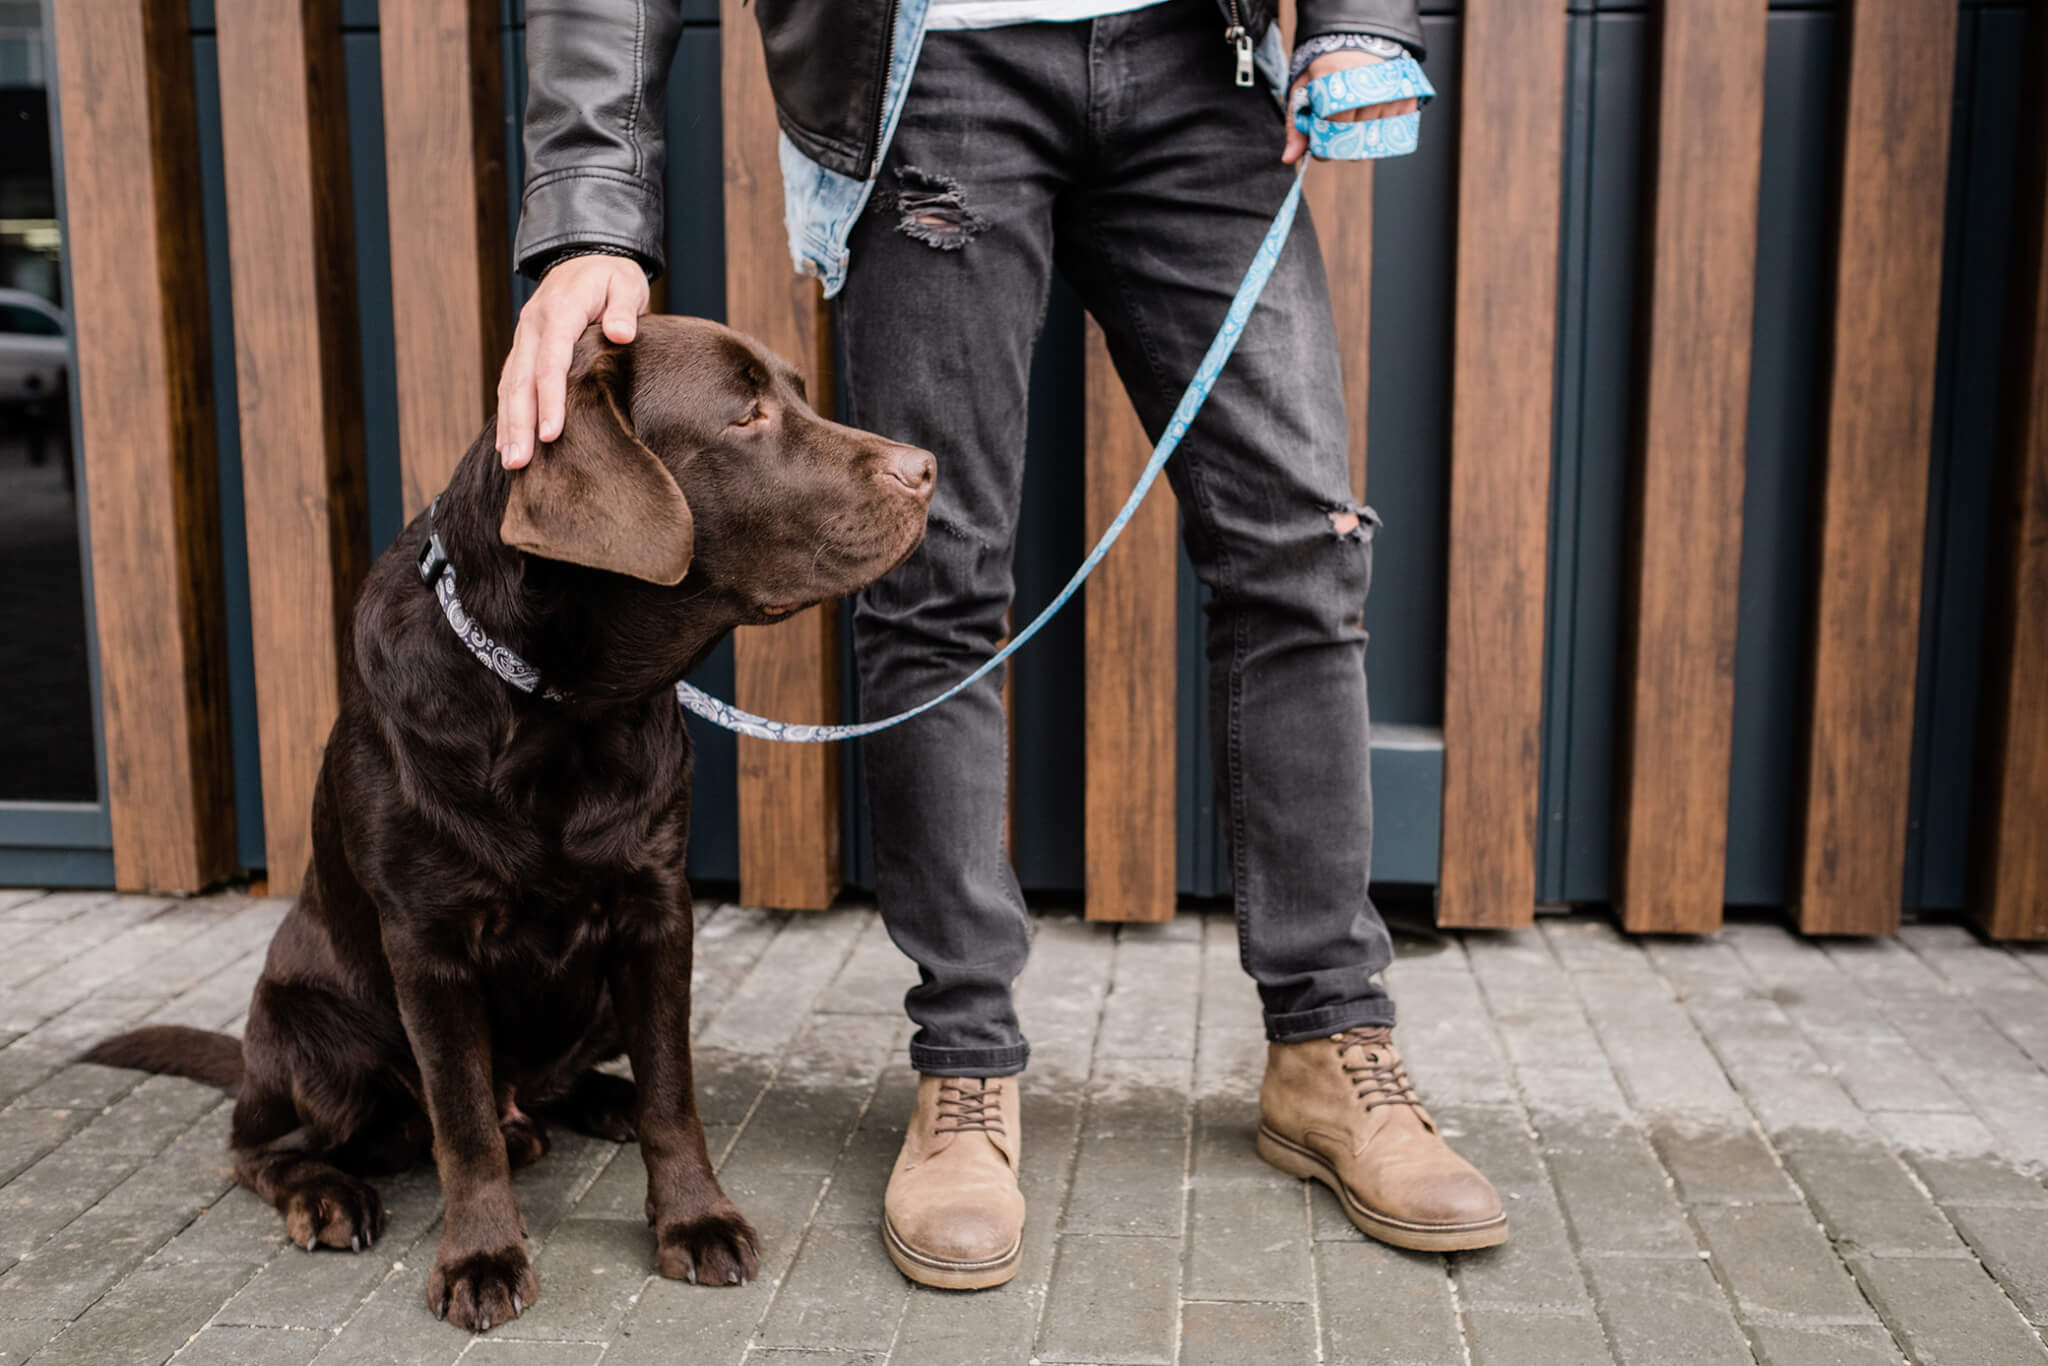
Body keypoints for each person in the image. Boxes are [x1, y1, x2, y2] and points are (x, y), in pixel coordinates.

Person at [498, 0, 1505, 1289]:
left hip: (1206, 58)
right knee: (929, 571)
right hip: (931, 67)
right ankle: (964, 1066)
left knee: (1302, 552)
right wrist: (590, 207)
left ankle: (1329, 1048)